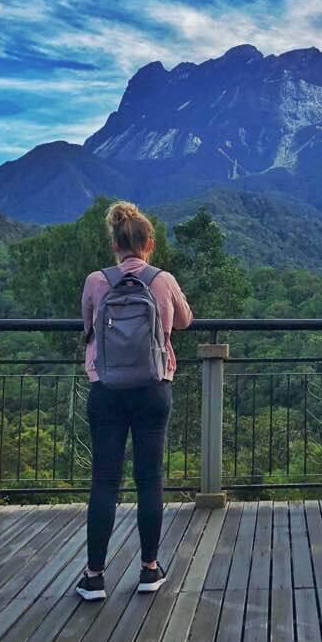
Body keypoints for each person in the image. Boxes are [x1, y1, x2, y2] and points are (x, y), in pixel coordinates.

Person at [76, 201, 193, 601]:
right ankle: (148, 569)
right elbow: (184, 321)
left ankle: (94, 575)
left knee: (105, 481)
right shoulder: (162, 280)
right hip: (152, 387)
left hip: (106, 389)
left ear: (114, 243)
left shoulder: (96, 281)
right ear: (149, 243)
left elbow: (88, 324)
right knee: (149, 480)